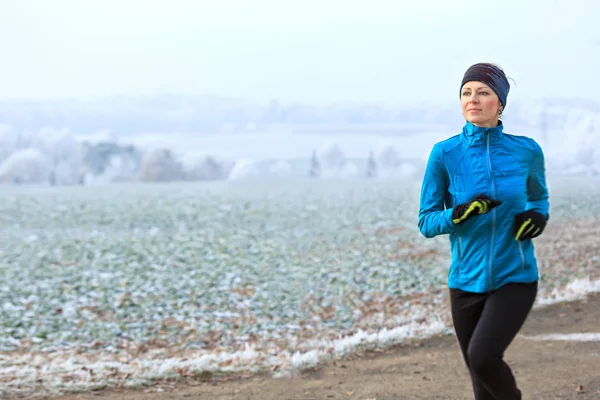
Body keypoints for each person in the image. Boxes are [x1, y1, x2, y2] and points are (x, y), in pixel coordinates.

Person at [417, 62, 550, 400]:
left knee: (483, 358)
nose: (472, 99)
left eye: (483, 92)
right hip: (465, 281)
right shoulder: (445, 154)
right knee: (481, 382)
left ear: (500, 103)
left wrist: (537, 216)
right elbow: (426, 221)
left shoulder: (526, 151)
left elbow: (538, 197)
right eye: (466, 92)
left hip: (515, 276)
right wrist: (458, 214)